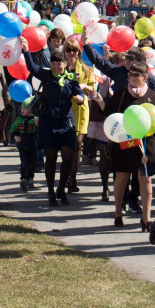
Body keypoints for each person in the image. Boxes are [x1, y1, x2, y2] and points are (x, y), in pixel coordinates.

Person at [97, 60, 155, 230]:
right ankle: (118, 213)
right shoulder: (121, 93)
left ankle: (146, 218)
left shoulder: (152, 96)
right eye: (130, 74)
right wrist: (100, 102)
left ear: (145, 77)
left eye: (136, 75)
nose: (132, 78)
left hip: (146, 143)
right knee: (122, 178)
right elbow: (109, 113)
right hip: (125, 141)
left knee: (146, 180)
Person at [21, 44, 84, 206]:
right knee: (50, 158)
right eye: (54, 63)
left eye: (59, 63)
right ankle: (50, 191)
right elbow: (33, 68)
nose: (56, 66)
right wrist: (27, 50)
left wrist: (81, 98)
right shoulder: (47, 75)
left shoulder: (71, 78)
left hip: (66, 123)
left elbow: (80, 93)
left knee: (68, 157)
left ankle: (61, 189)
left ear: (65, 64)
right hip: (48, 123)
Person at [63, 40, 96, 194]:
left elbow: (93, 90)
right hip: (63, 110)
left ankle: (72, 178)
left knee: (77, 144)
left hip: (81, 109)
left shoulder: (86, 68)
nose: (72, 53)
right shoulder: (60, 67)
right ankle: (66, 176)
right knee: (66, 147)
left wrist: (84, 87)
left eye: (75, 50)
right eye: (69, 50)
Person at [9, 97, 38, 191]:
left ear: (31, 109)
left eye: (25, 108)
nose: (22, 110)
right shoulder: (19, 119)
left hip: (32, 146)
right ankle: (23, 179)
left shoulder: (34, 120)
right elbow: (13, 129)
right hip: (22, 146)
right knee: (24, 163)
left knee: (31, 164)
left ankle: (30, 178)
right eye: (21, 108)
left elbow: (38, 131)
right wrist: (15, 136)